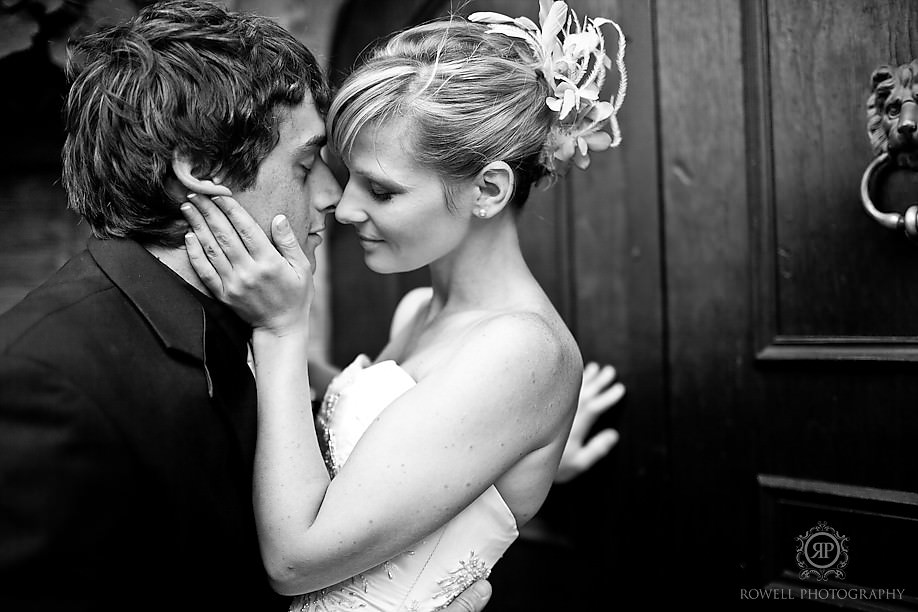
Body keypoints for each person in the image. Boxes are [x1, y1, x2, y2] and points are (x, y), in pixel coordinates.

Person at [0, 2, 489, 610]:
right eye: (308, 163)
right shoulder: (43, 380)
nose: (334, 197)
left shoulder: (243, 319)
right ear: (201, 170)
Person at [179, 2, 628, 610]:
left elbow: (293, 561)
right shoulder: (419, 310)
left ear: (488, 191)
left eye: (383, 190)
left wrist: (284, 331)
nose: (344, 207)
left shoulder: (521, 350)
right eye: (342, 173)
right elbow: (367, 446)